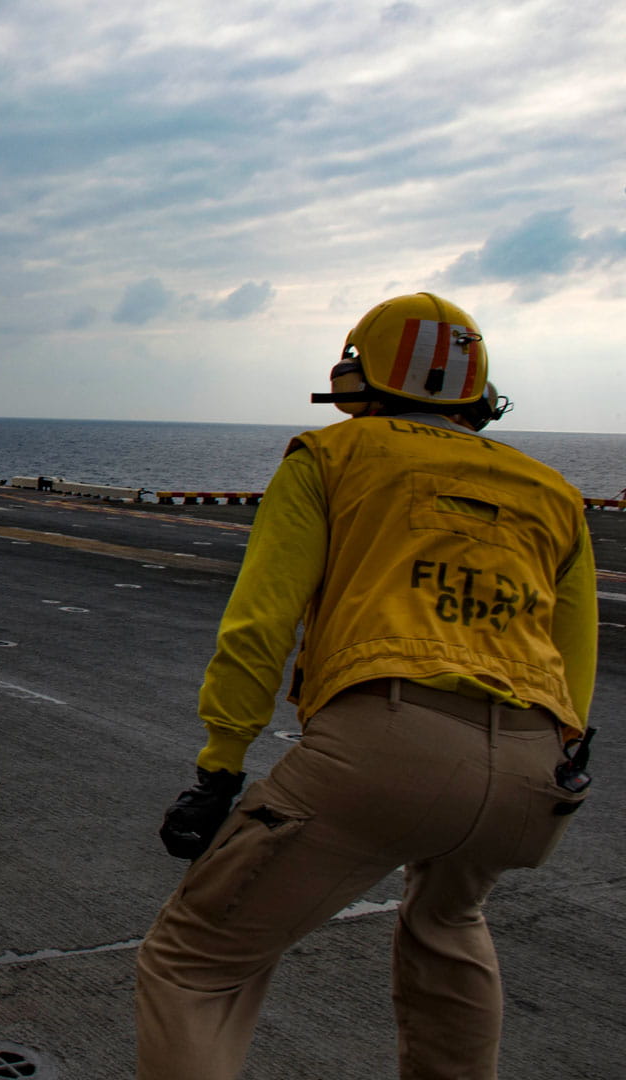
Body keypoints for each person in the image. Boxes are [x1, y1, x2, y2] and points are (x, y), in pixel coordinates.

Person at [135, 292, 597, 1079]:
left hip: (387, 744)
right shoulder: (554, 493)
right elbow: (573, 657)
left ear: (361, 374)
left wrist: (219, 768)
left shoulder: (332, 455)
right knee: (450, 923)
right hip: (535, 768)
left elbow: (258, 629)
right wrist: (560, 757)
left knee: (193, 966)